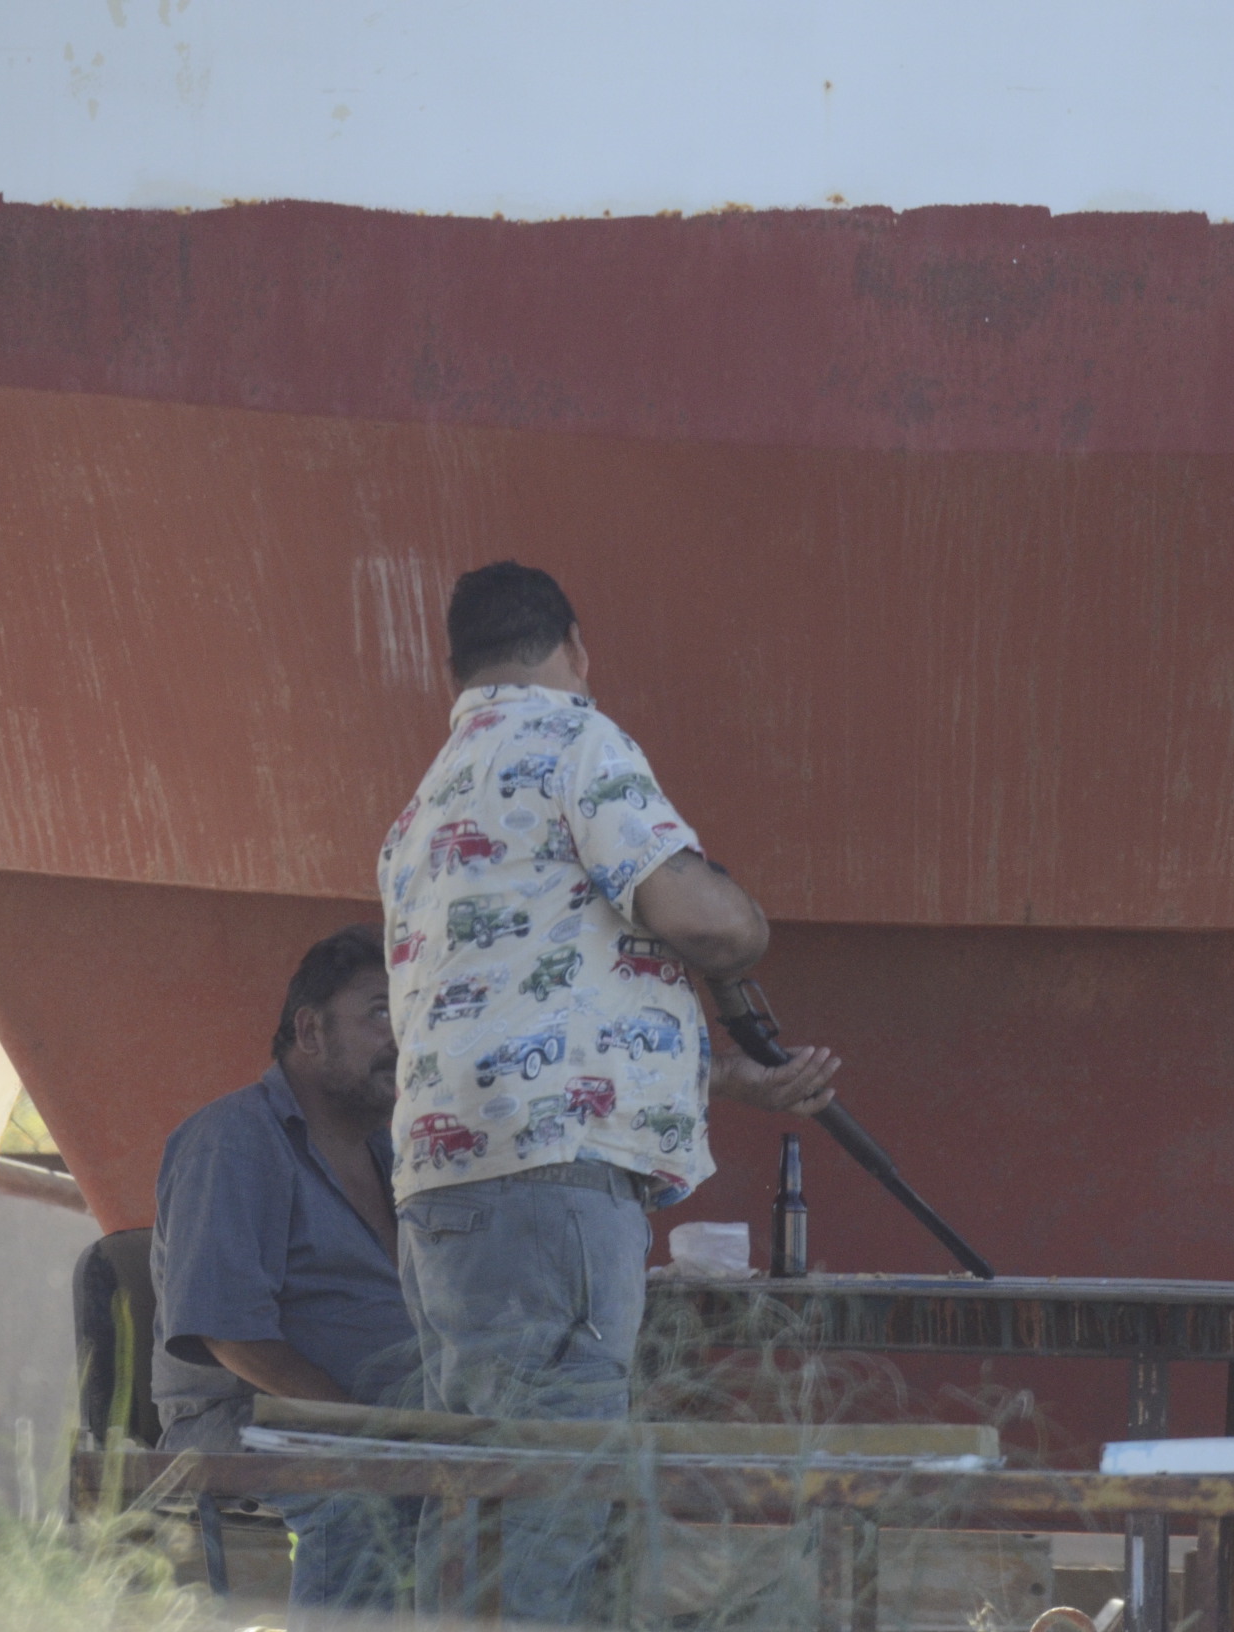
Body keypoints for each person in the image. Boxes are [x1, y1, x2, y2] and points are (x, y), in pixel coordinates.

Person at [381, 560, 844, 1622]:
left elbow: (527, 1004)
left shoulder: (421, 811)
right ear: (575, 648)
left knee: (473, 1490)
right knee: (554, 1499)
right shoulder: (575, 741)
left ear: (456, 669)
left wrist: (721, 1077)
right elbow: (706, 922)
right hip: (555, 1190)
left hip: (443, 1190)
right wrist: (742, 921)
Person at [149, 925, 422, 1620]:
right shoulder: (234, 1140)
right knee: (359, 1496)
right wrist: (365, 1427)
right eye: (380, 1012)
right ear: (310, 1031)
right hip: (244, 1420)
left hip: (377, 1422)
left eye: (414, 1013)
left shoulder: (393, 1156)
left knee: (523, 1493)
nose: (403, 1037)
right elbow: (230, 1335)